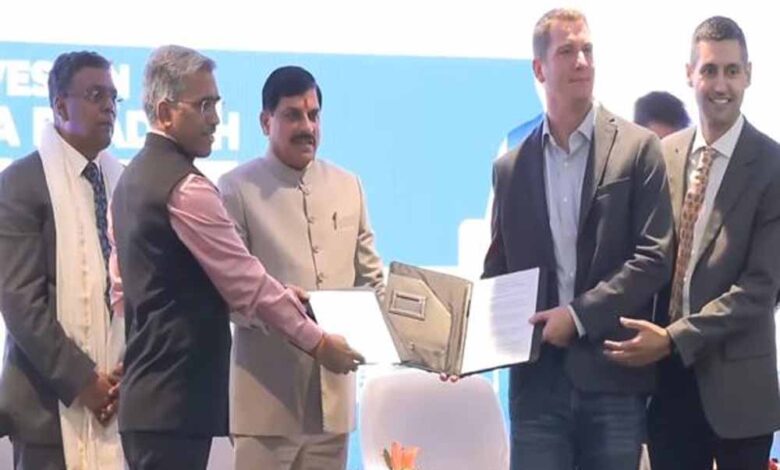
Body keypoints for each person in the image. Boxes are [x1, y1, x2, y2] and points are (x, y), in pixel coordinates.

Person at [109, 45, 364, 470]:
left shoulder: (129, 179)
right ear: (166, 112)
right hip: (180, 399)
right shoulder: (189, 189)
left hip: (148, 400)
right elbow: (246, 284)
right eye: (203, 105)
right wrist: (318, 343)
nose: (215, 118)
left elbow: (122, 292)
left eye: (217, 104)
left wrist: (129, 356)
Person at [483, 8, 673, 470]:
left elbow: (654, 258)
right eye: (567, 51)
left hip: (614, 380)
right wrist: (462, 348)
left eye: (587, 50)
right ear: (539, 69)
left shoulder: (638, 148)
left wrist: (577, 316)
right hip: (536, 390)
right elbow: (498, 275)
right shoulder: (510, 170)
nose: (582, 61)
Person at [605, 16, 780, 470]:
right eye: (709, 70)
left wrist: (673, 338)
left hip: (740, 393)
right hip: (667, 387)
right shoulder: (661, 155)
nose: (721, 84)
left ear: (748, 75)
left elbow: (761, 289)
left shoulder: (773, 166)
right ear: (689, 74)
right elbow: (642, 260)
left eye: (732, 70)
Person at [219, 65, 384, 470]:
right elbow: (229, 296)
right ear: (265, 121)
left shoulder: (349, 185)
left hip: (333, 404)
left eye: (313, 115)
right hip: (265, 404)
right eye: (292, 115)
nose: (306, 126)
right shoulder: (236, 188)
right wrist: (284, 311)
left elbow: (372, 282)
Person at [0, 51, 125, 470]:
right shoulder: (20, 183)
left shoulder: (123, 183)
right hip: (47, 407)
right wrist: (83, 381)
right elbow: (19, 301)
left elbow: (139, 292)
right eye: (95, 95)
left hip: (121, 403)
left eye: (113, 97)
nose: (109, 107)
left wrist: (127, 371)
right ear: (60, 106)